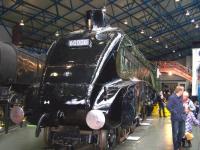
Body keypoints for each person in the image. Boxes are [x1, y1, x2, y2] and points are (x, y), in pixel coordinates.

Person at [167, 86, 185, 150]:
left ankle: (178, 143)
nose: (183, 91)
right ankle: (176, 147)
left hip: (182, 118)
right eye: (183, 90)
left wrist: (184, 109)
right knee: (175, 133)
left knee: (182, 131)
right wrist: (174, 112)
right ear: (180, 91)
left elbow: (181, 105)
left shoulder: (181, 97)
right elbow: (168, 106)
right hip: (175, 119)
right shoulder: (172, 97)